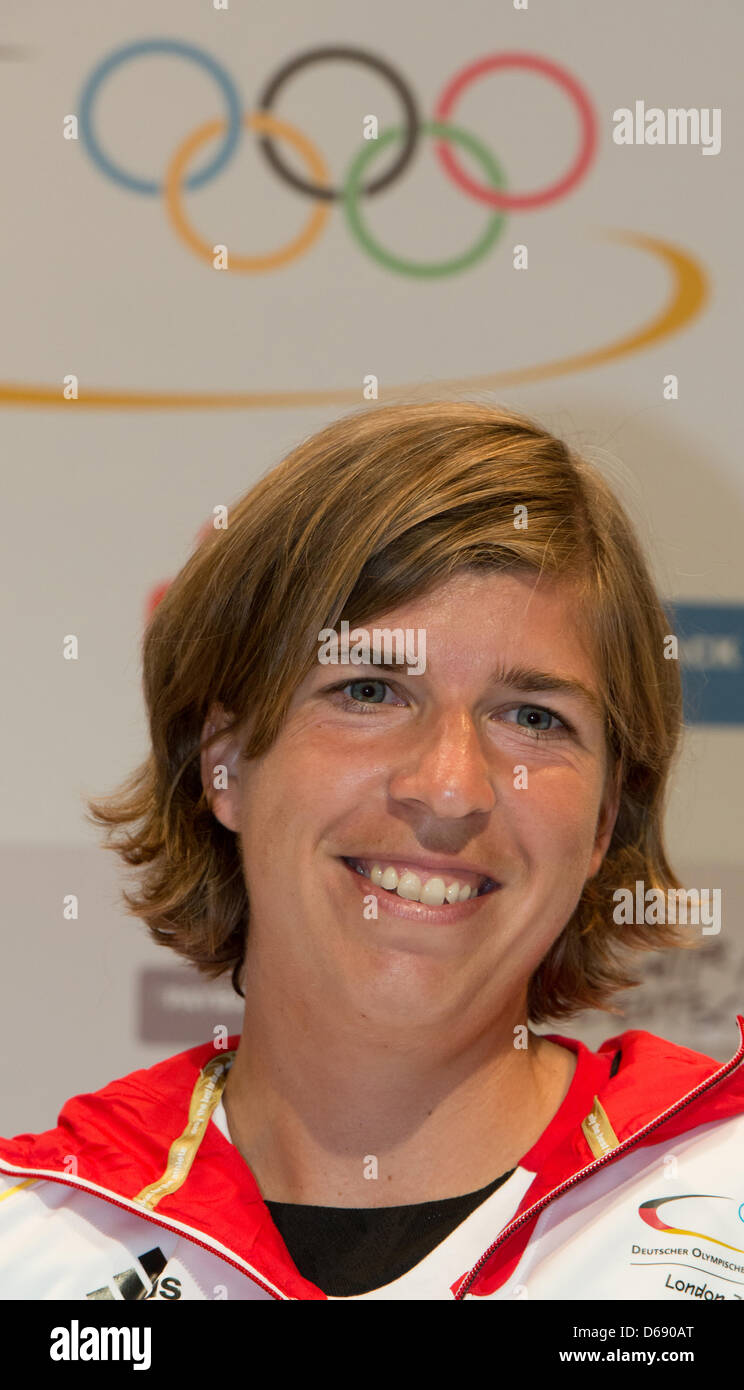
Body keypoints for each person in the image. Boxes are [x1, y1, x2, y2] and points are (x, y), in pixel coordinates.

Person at [1, 400, 742, 1302]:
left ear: (602, 821)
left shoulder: (716, 1197)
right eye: (369, 690)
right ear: (224, 759)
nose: (450, 787)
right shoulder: (36, 1243)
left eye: (534, 717)